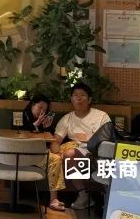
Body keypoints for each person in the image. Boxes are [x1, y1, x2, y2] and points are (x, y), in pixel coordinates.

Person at [46, 83, 110, 212]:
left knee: (71, 153)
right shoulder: (67, 119)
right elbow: (56, 140)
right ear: (71, 99)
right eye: (75, 95)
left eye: (82, 95)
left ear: (89, 99)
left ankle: (106, 198)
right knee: (64, 155)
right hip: (77, 150)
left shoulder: (101, 116)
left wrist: (92, 142)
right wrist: (57, 152)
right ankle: (82, 194)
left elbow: (107, 137)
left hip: (98, 151)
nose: (78, 98)